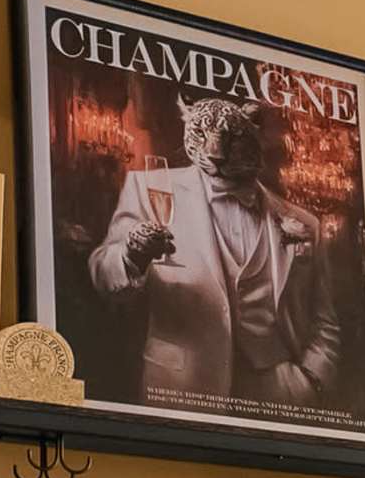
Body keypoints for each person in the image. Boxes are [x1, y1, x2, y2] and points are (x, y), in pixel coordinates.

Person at [87, 97, 349, 411]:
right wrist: (133, 255)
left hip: (279, 397)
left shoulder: (305, 223)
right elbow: (103, 270)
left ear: (254, 134)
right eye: (200, 134)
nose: (215, 152)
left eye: (232, 137)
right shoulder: (150, 188)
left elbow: (324, 320)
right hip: (182, 389)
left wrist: (313, 380)